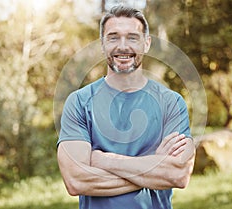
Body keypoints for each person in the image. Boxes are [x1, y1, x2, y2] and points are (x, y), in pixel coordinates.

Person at [57, 5, 196, 209]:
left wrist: (103, 160)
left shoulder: (171, 103)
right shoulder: (79, 102)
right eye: (113, 37)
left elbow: (177, 174)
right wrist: (153, 164)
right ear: (102, 45)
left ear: (146, 44)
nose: (123, 46)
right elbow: (76, 181)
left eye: (132, 37)